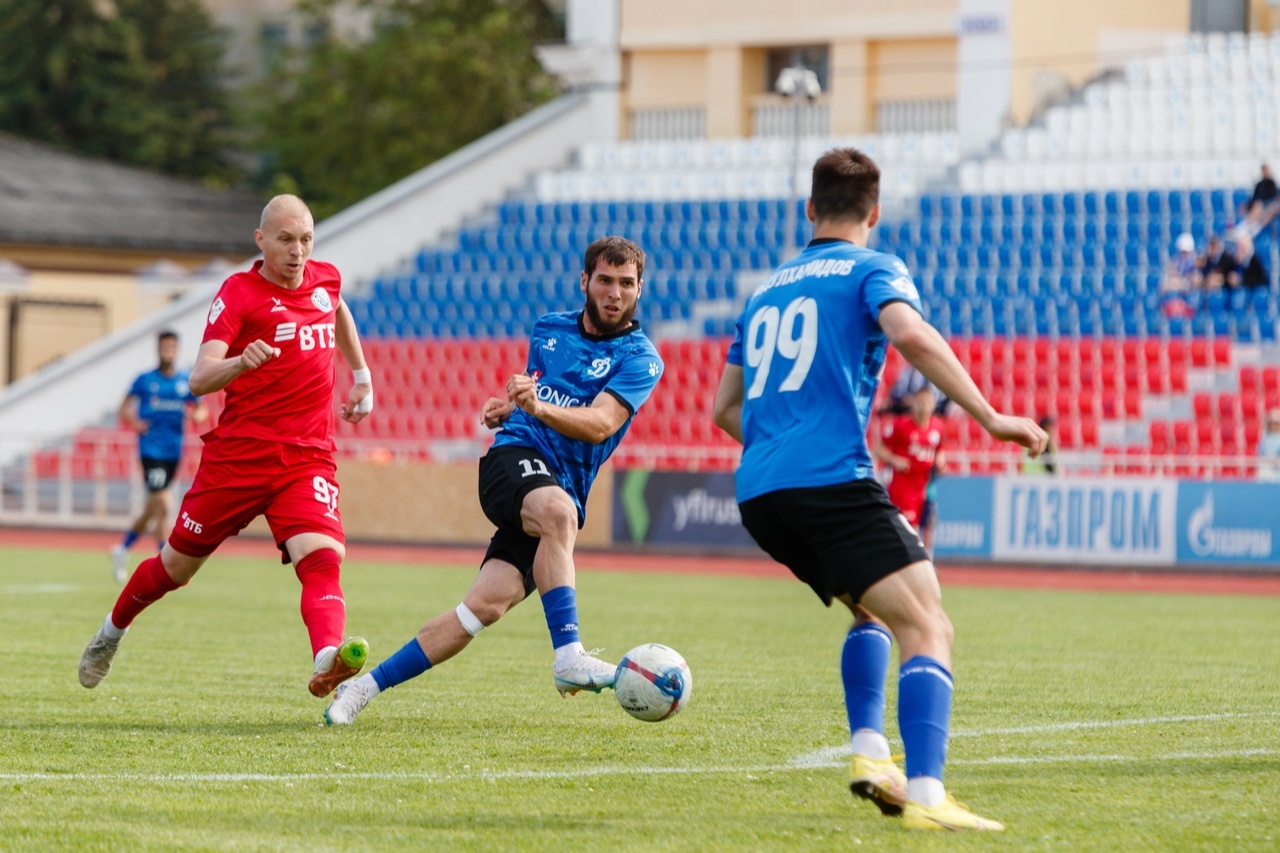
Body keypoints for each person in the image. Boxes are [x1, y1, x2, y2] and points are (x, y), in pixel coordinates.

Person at [712, 148, 1047, 832]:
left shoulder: (764, 289)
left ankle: (870, 754)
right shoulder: (874, 266)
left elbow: (723, 409)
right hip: (829, 477)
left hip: (761, 492)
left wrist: (781, 436)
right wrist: (990, 416)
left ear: (809, 209)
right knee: (928, 623)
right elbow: (910, 334)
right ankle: (926, 793)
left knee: (871, 611)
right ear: (874, 213)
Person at [323, 236, 663, 726]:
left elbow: (601, 423)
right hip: (512, 463)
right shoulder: (549, 328)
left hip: (557, 486)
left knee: (480, 610)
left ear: (639, 289)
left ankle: (362, 688)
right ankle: (569, 656)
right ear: (585, 281)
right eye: (605, 280)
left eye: (626, 284)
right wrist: (513, 408)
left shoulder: (641, 357)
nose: (615, 293)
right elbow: (538, 393)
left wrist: (524, 404)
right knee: (559, 515)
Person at [79, 194, 375, 700]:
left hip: (306, 457)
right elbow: (198, 378)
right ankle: (111, 632)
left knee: (323, 557)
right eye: (285, 240)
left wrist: (362, 375)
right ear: (261, 241)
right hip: (238, 459)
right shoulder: (239, 293)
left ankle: (327, 657)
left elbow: (338, 307)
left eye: (305, 240)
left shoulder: (325, 279)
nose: (297, 251)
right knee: (175, 568)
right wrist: (241, 362)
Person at [110, 330, 208, 583]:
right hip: (150, 450)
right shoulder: (144, 380)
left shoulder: (185, 381)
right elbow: (123, 407)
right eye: (164, 347)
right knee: (164, 503)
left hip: (173, 451)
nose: (168, 351)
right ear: (158, 349)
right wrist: (136, 422)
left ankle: (123, 548)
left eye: (172, 347)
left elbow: (201, 410)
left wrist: (196, 416)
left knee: (154, 510)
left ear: (176, 350)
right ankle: (163, 561)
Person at [872, 383, 945, 554]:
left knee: (927, 527)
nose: (923, 407)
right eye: (920, 402)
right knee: (909, 531)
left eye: (927, 402)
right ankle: (911, 565)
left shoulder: (938, 427)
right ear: (913, 404)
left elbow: (939, 450)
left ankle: (924, 563)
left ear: (933, 405)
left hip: (925, 488)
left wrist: (941, 462)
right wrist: (895, 460)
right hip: (903, 488)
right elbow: (878, 449)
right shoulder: (901, 426)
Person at [1160, 233, 1198, 318]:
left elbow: (1195, 279)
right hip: (1179, 288)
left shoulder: (1194, 260)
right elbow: (1171, 276)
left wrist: (1183, 282)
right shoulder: (1176, 260)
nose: (1184, 254)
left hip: (1188, 289)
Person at [1258, 408, 1280, 482]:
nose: (1273, 426)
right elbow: (1260, 453)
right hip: (1266, 469)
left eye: (1276, 423)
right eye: (1271, 423)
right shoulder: (1265, 437)